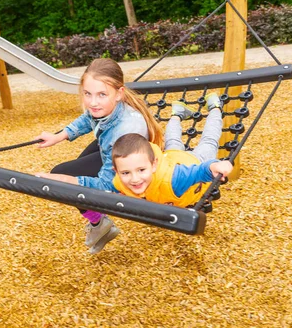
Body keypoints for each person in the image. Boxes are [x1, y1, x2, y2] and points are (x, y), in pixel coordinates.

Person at [35, 58, 163, 254]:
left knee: (61, 177)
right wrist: (57, 137)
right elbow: (87, 118)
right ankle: (98, 219)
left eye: (102, 94)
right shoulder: (107, 108)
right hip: (109, 146)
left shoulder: (126, 130)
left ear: (119, 93)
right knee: (74, 170)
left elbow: (106, 184)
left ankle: (99, 223)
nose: (92, 102)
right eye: (87, 94)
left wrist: (62, 180)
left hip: (126, 164)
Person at [111, 92, 234, 207]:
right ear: (116, 171)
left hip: (195, 160)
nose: (135, 179)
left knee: (209, 141)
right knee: (172, 141)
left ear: (154, 165)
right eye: (126, 173)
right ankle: (177, 113)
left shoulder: (174, 181)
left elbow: (198, 171)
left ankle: (215, 107)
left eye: (141, 170)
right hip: (171, 157)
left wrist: (213, 167)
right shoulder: (119, 182)